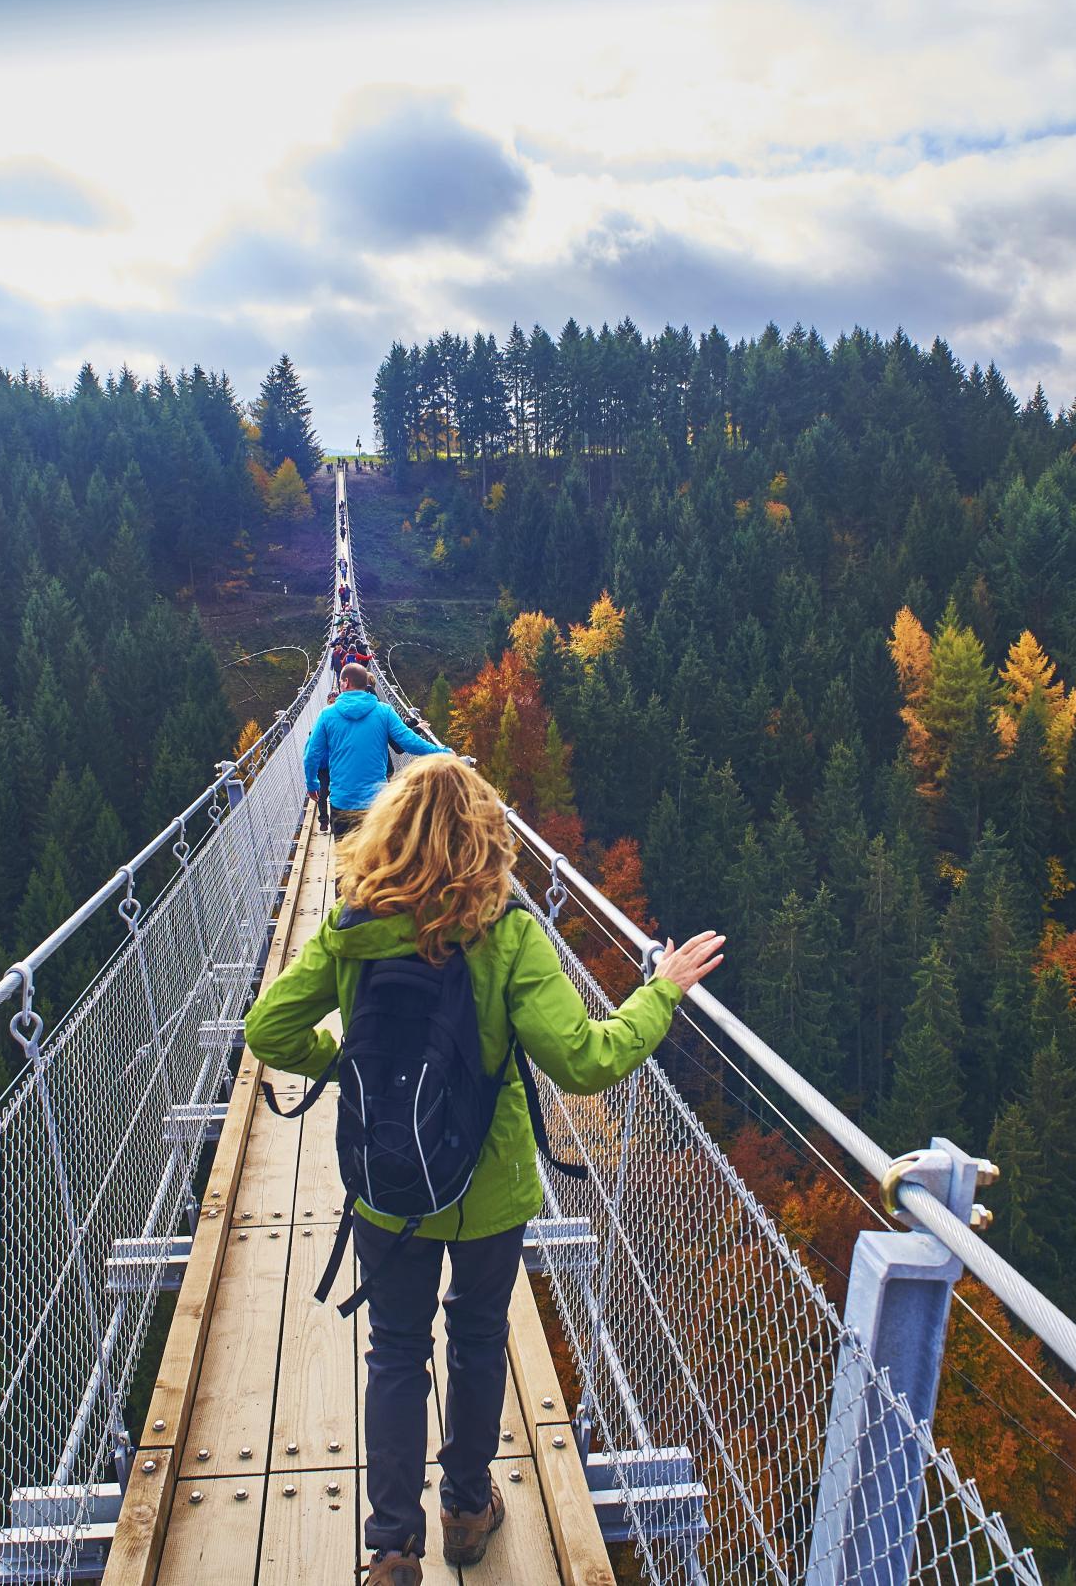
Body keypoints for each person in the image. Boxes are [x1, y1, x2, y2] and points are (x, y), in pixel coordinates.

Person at [246, 757, 724, 1584]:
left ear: (387, 834)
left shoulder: (351, 926)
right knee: (476, 1337)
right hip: (488, 1182)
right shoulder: (508, 933)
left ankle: (391, 1547)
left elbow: (267, 1030)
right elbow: (584, 1059)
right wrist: (661, 992)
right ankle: (467, 1508)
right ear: (484, 841)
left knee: (394, 1351)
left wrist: (344, 1061)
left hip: (387, 1181)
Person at [304, 664, 435, 834]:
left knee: (345, 859)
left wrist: (312, 783)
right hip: (375, 803)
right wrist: (443, 752)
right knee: (374, 858)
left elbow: (312, 754)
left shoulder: (326, 715)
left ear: (345, 682)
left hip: (342, 803)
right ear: (365, 684)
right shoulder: (384, 711)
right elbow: (409, 742)